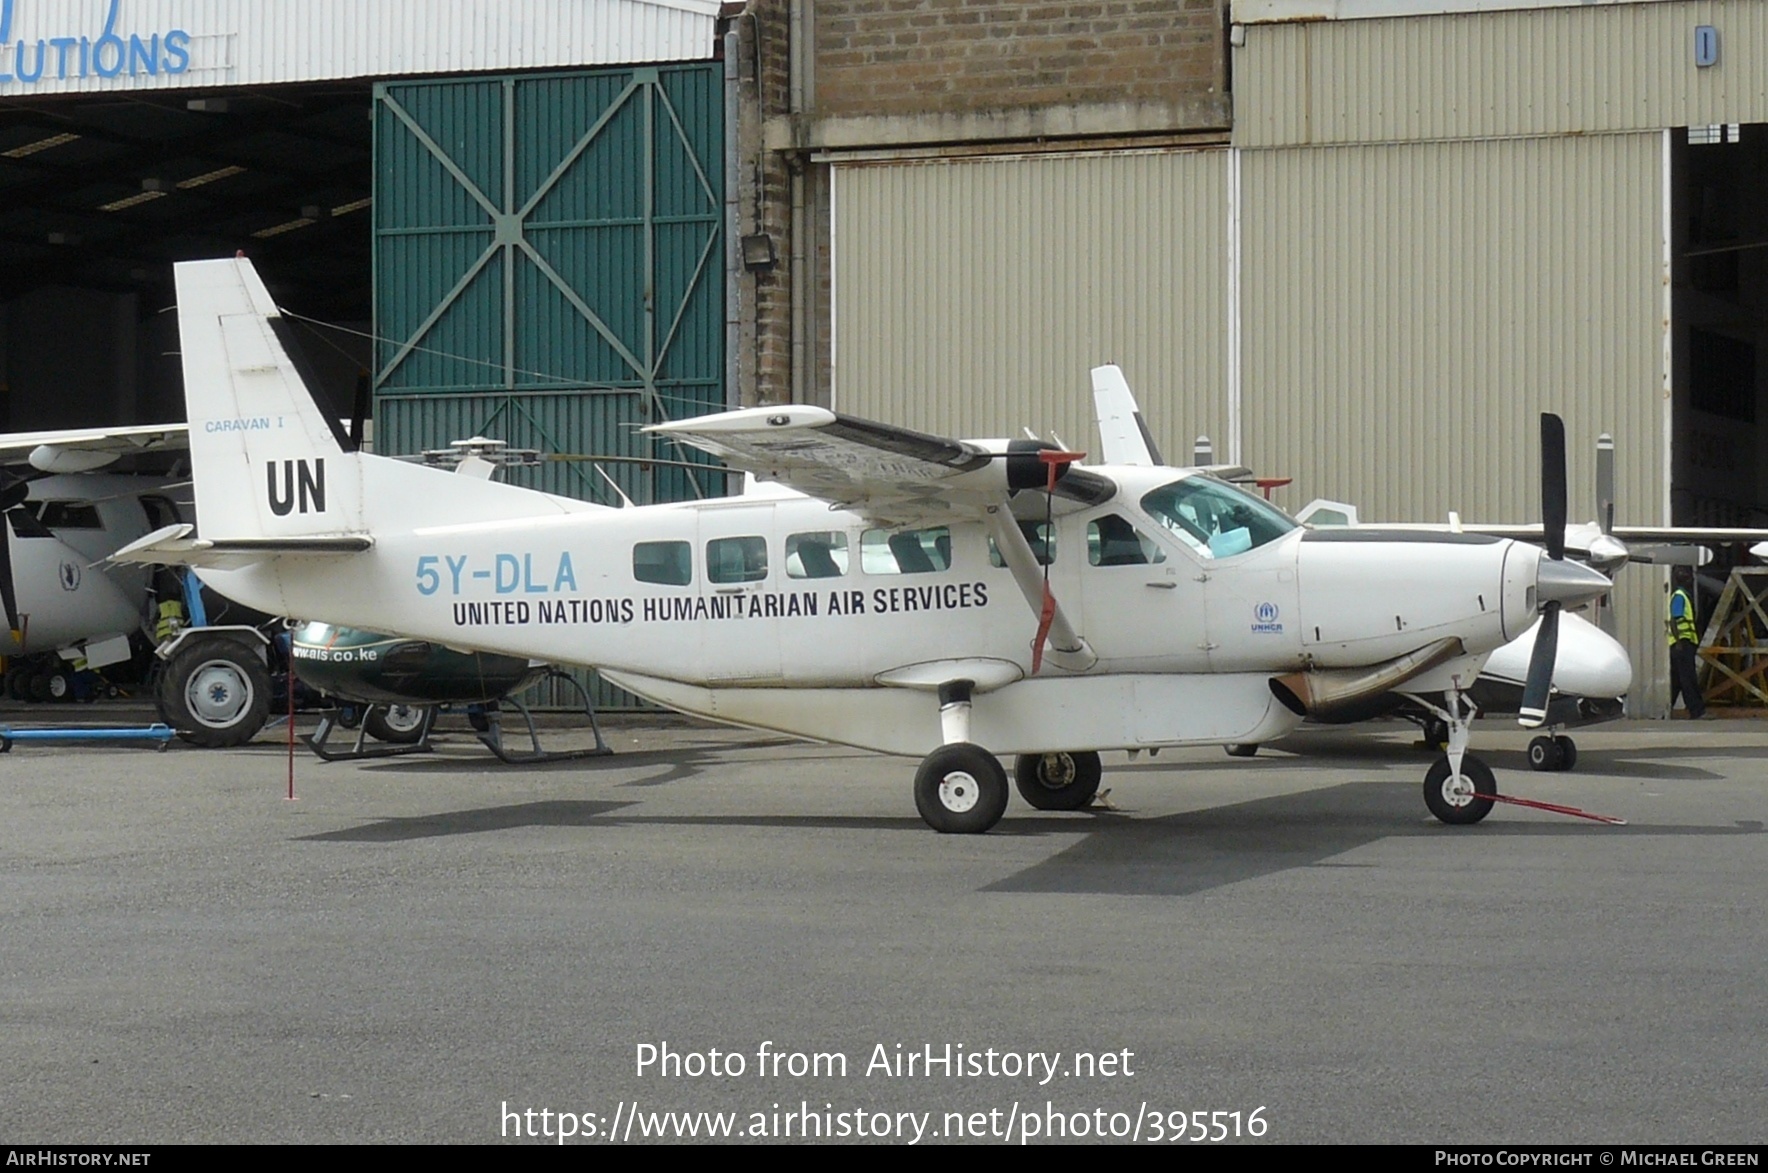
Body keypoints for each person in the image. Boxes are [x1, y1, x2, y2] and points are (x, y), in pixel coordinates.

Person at [1666, 569, 1707, 719]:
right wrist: (1678, 642)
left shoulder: (1681, 596)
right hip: (1682, 643)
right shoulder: (1680, 596)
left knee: (1677, 680)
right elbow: (1674, 620)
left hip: (1682, 643)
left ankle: (1666, 708)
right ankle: (1696, 710)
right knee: (1688, 679)